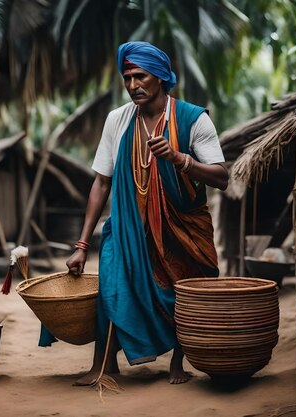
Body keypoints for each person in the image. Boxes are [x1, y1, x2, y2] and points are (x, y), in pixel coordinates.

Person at [66, 41, 228, 386]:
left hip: (183, 226)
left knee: (183, 290)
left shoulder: (192, 118)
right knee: (111, 286)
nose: (133, 85)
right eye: (127, 77)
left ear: (161, 77)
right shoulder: (118, 120)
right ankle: (104, 365)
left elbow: (221, 177)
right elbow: (101, 182)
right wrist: (82, 244)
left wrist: (179, 158)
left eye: (140, 76)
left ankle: (178, 363)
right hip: (127, 227)